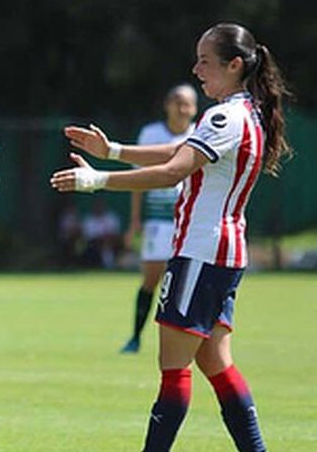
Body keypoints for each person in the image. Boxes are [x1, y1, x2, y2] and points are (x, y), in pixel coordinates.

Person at [51, 22, 290, 452]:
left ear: (235, 65)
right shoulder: (246, 113)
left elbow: (173, 170)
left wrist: (96, 181)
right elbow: (181, 153)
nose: (196, 69)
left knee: (173, 368)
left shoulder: (224, 115)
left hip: (201, 252)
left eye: (205, 60)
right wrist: (114, 152)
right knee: (216, 362)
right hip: (222, 251)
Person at [120, 84, 198, 353]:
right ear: (167, 105)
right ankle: (135, 336)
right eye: (177, 101)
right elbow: (138, 178)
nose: (182, 107)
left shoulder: (202, 133)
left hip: (190, 221)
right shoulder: (151, 134)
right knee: (151, 278)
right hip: (158, 219)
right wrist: (135, 220)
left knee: (186, 282)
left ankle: (190, 340)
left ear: (195, 108)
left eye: (187, 102)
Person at [80, 197, 122, 269]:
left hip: (112, 243)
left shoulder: (111, 217)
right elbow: (88, 236)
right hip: (94, 245)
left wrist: (107, 239)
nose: (99, 208)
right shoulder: (88, 219)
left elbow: (116, 234)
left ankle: (112, 264)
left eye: (101, 205)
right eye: (97, 206)